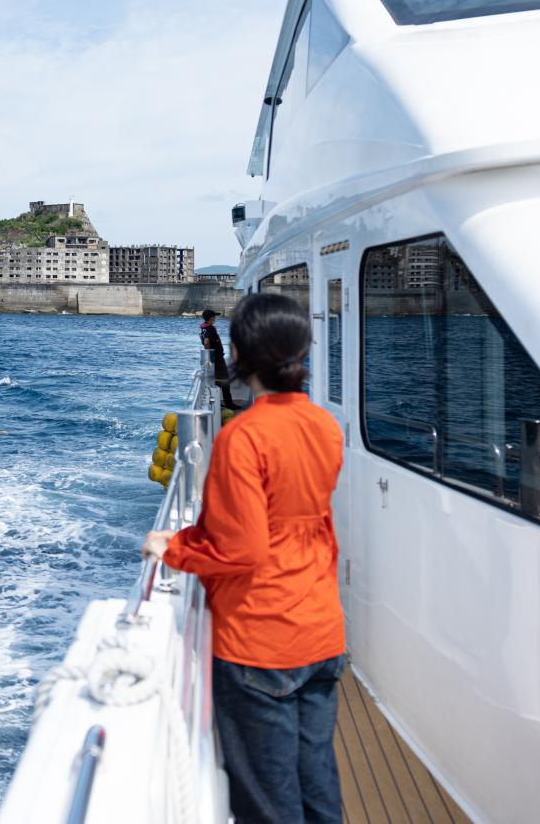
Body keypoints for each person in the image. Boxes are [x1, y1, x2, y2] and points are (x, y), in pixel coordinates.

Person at [145, 291, 346, 824]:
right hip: (321, 628)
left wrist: (174, 546)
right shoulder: (325, 426)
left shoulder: (246, 437)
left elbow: (243, 548)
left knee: (266, 801)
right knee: (317, 783)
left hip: (261, 640)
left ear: (239, 354)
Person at [198, 308, 239, 411]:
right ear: (211, 318)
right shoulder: (210, 329)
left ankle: (217, 402)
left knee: (216, 380)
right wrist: (210, 353)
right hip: (217, 359)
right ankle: (229, 403)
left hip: (213, 359)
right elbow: (207, 342)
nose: (215, 318)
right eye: (214, 316)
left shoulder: (204, 328)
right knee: (225, 380)